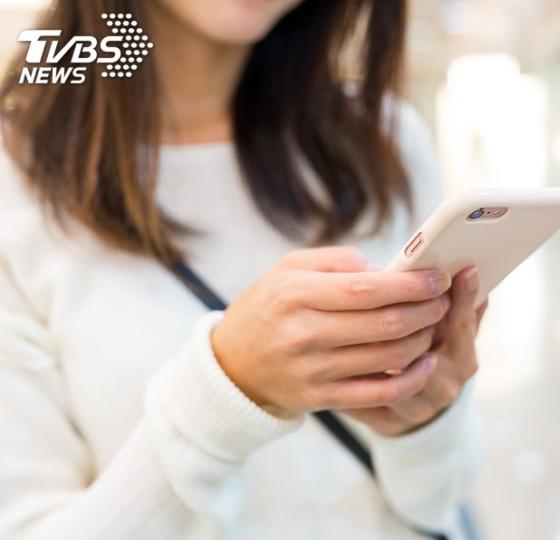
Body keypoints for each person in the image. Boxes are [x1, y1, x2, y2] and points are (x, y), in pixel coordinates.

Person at [0, 0, 483, 538]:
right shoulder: (14, 178)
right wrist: (227, 393)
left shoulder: (384, 138)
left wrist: (426, 422)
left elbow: (436, 505)